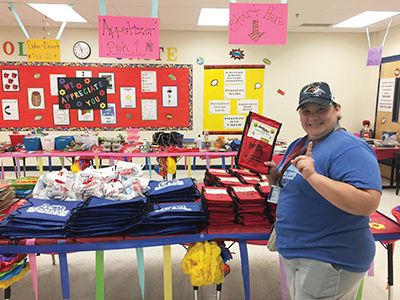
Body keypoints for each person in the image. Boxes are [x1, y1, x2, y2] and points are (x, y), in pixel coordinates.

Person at [264, 81, 382, 300]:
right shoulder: (301, 143)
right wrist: (274, 177)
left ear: (337, 110)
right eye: (306, 111)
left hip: (329, 256)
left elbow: (368, 203)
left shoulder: (350, 147)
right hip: (297, 250)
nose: (313, 117)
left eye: (321, 109)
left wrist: (314, 176)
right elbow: (294, 190)